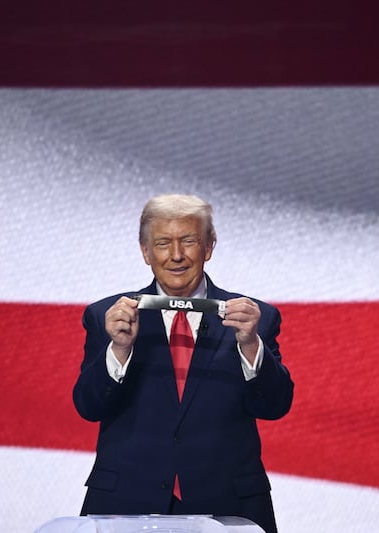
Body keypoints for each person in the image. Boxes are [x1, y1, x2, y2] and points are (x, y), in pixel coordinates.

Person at [73, 194, 294, 533]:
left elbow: (275, 406)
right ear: (146, 251)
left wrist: (249, 344)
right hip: (125, 506)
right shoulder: (108, 316)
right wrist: (119, 350)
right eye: (163, 243)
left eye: (188, 241)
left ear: (208, 247)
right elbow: (88, 406)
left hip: (228, 509)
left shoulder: (254, 319)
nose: (176, 255)